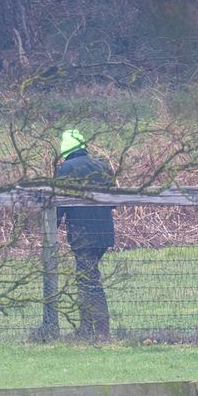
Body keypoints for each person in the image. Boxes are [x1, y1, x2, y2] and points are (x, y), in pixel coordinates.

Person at [55, 129, 116, 337]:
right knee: (87, 277)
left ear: (65, 149)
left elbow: (59, 203)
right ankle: (86, 329)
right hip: (104, 233)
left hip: (82, 235)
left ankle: (100, 331)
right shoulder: (102, 166)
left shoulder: (66, 168)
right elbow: (113, 202)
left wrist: (50, 229)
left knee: (89, 280)